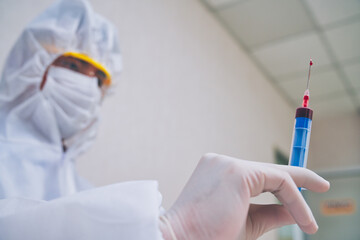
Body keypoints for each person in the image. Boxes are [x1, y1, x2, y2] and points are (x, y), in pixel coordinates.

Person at [0, 0, 330, 239]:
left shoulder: (78, 189)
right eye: (73, 66)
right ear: (28, 67)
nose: (86, 84)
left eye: (97, 77)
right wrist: (175, 231)